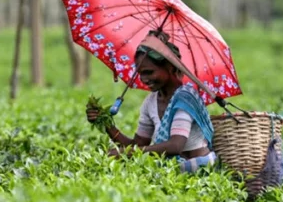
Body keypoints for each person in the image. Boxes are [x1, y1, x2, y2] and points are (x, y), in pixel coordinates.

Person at [86, 31, 217, 172]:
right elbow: (137, 144)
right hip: (171, 170)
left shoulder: (186, 98)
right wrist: (107, 125)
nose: (143, 79)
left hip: (199, 169)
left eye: (149, 72)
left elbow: (175, 146)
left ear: (170, 67)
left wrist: (127, 153)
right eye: (140, 73)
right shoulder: (151, 102)